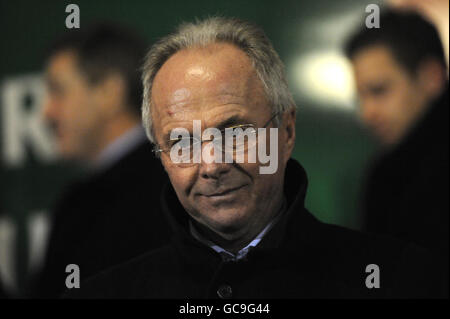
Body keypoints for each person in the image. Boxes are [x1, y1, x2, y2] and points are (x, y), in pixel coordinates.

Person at [67, 17, 441, 299]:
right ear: (162, 157)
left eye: (235, 132)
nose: (212, 165)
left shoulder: (403, 279)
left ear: (287, 131)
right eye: (182, 142)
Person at [32, 24, 171, 298]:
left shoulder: (171, 187)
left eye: (58, 91)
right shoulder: (77, 201)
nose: (46, 113)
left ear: (110, 92)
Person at [345, 10, 448, 296]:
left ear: (431, 77)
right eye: (361, 98)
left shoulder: (390, 177)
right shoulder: (387, 173)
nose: (367, 114)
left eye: (379, 91)